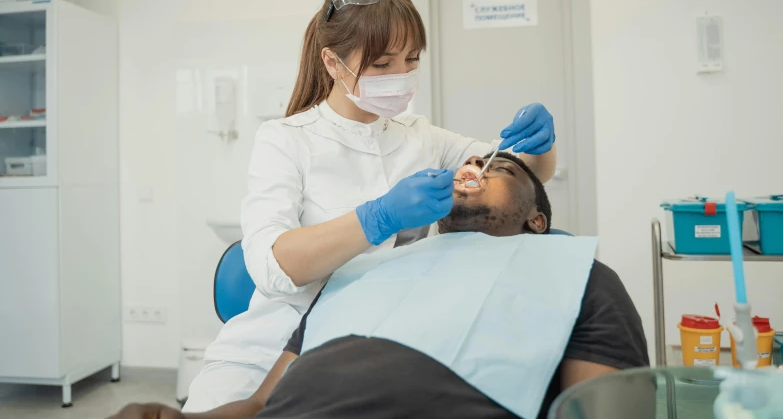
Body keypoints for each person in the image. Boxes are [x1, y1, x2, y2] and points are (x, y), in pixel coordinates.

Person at [182, 0, 559, 412]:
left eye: (412, 59)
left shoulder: (420, 136)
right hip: (269, 346)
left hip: (378, 343)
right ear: (332, 62)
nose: (401, 75)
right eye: (382, 65)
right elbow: (271, 265)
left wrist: (542, 145)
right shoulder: (285, 139)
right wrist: (375, 218)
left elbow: (519, 173)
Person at [111, 153, 649, 419]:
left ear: (537, 220)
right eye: (471, 161)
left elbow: (599, 409)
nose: (475, 165)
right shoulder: (361, 269)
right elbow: (258, 407)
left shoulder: (577, 274)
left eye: (500, 165)